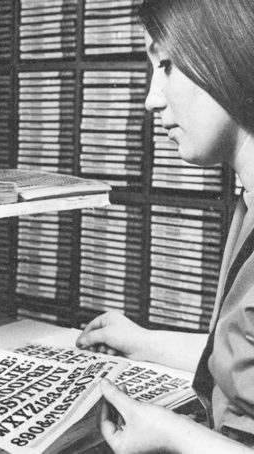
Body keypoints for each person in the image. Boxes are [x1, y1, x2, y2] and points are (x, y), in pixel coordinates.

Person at [75, 0, 254, 451]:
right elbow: (242, 364)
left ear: (229, 54)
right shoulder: (248, 203)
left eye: (168, 65)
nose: (152, 99)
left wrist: (173, 435)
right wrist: (144, 341)